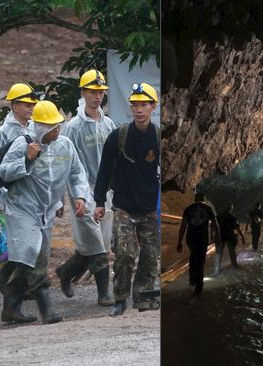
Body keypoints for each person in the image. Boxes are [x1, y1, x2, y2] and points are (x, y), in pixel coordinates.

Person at [0, 100, 88, 324]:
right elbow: (4, 172)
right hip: (22, 208)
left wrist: (79, 196)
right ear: (39, 127)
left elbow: (77, 173)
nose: (57, 131)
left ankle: (10, 301)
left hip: (46, 211)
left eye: (58, 126)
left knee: (35, 257)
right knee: (34, 253)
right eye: (51, 128)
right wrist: (27, 158)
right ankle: (46, 309)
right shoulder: (22, 144)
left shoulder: (65, 146)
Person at [93, 82, 160, 317]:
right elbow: (103, 171)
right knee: (125, 254)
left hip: (150, 208)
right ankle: (120, 298)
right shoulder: (118, 136)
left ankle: (143, 297)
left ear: (153, 106)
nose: (139, 109)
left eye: (144, 105)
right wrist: (99, 202)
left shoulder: (158, 137)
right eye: (135, 105)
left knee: (151, 257)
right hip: (124, 206)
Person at [56, 69, 117, 306]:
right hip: (83, 190)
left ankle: (66, 271)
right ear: (83, 92)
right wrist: (63, 197)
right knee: (95, 241)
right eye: (93, 91)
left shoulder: (108, 124)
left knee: (100, 242)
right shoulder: (73, 127)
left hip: (106, 192)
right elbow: (67, 164)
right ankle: (104, 293)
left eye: (101, 91)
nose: (97, 96)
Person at [0, 83, 41, 294]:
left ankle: (15, 281)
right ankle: (19, 286)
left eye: (32, 104)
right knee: (20, 242)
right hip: (10, 194)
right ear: (13, 106)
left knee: (27, 242)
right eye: (25, 104)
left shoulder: (34, 128)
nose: (30, 107)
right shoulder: (1, 133)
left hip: (31, 193)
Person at [177, 193, 219, 294]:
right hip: (202, 238)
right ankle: (198, 288)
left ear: (195, 199)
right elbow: (215, 225)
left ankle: (192, 281)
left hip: (190, 238)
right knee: (200, 261)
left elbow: (183, 227)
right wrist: (218, 238)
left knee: (193, 256)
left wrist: (179, 242)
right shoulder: (208, 209)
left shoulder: (188, 209)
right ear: (204, 199)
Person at [214, 203, 246, 274]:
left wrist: (213, 236)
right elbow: (238, 228)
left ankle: (216, 269)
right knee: (232, 253)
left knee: (219, 253)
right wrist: (242, 237)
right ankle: (234, 267)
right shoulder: (233, 217)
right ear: (231, 209)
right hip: (230, 237)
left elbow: (213, 226)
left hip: (220, 237)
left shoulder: (218, 216)